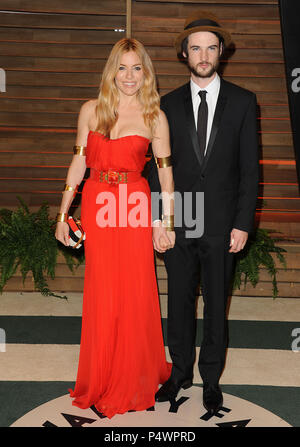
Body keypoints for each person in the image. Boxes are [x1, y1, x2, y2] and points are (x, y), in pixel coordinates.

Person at [55, 38, 175, 419]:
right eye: (122, 68)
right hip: (97, 201)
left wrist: (166, 224)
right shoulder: (91, 111)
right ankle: (101, 375)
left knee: (135, 290)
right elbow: (78, 166)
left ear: (146, 73)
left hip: (134, 204)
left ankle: (132, 375)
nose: (129, 76)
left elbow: (168, 179)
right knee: (103, 292)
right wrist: (62, 216)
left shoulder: (155, 116)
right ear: (111, 71)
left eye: (136, 68)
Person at [148, 11, 259, 415]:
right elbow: (154, 168)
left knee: (216, 304)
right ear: (183, 53)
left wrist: (242, 223)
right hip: (180, 219)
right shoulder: (165, 104)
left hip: (221, 222)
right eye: (196, 47)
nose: (203, 54)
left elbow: (250, 169)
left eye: (211, 46)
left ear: (221, 52)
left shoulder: (244, 102)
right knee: (178, 301)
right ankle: (179, 372)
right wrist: (159, 221)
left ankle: (211, 378)